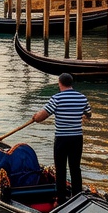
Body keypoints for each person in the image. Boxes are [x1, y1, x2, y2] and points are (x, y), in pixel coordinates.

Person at [30, 72, 92, 203]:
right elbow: (88, 114)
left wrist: (35, 117)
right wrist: (80, 116)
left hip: (62, 139)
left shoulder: (56, 98)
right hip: (77, 138)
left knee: (60, 168)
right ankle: (77, 196)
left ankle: (61, 199)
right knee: (75, 167)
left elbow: (43, 116)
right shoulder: (82, 97)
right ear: (71, 83)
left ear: (60, 83)